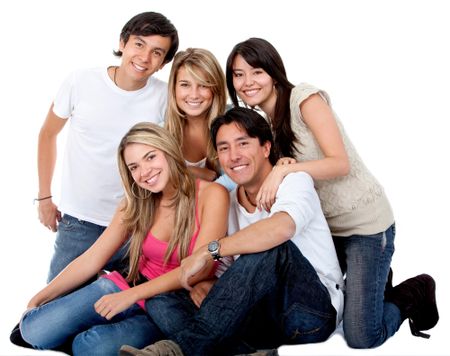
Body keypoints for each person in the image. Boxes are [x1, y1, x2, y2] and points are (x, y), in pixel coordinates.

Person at [224, 38, 438, 347]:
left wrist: (286, 169)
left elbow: (340, 164)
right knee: (303, 300)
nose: (247, 82)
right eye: (238, 74)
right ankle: (374, 284)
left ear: (274, 72)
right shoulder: (262, 125)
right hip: (323, 230)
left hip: (365, 226)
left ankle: (411, 292)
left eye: (256, 72)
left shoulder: (304, 99)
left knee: (362, 336)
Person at [119, 107, 345, 356]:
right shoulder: (228, 201)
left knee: (271, 247)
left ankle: (177, 350)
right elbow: (234, 271)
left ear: (266, 148)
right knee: (161, 301)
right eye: (224, 148)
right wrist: (208, 283)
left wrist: (207, 251)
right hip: (261, 317)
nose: (234, 155)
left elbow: (281, 228)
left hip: (311, 313)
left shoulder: (294, 181)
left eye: (243, 144)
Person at [17, 122, 229, 355]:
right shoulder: (137, 202)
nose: (144, 172)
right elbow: (93, 258)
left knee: (89, 348)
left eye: (150, 157)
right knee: (32, 329)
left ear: (168, 151)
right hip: (128, 285)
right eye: (134, 167)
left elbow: (200, 268)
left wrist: (132, 296)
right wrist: (37, 299)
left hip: (168, 304)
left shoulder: (213, 194)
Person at [37, 11, 179, 283]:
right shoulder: (80, 81)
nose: (144, 58)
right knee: (52, 307)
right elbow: (47, 134)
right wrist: (44, 197)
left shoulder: (163, 97)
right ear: (123, 42)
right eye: (139, 44)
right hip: (79, 221)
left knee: (126, 308)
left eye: (157, 52)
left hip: (135, 224)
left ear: (163, 63)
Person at [165, 47, 226, 182]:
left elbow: (249, 175)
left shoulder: (234, 125)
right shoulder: (161, 134)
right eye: (185, 85)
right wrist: (196, 172)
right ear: (173, 88)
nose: (194, 95)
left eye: (203, 85)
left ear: (216, 88)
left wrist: (213, 178)